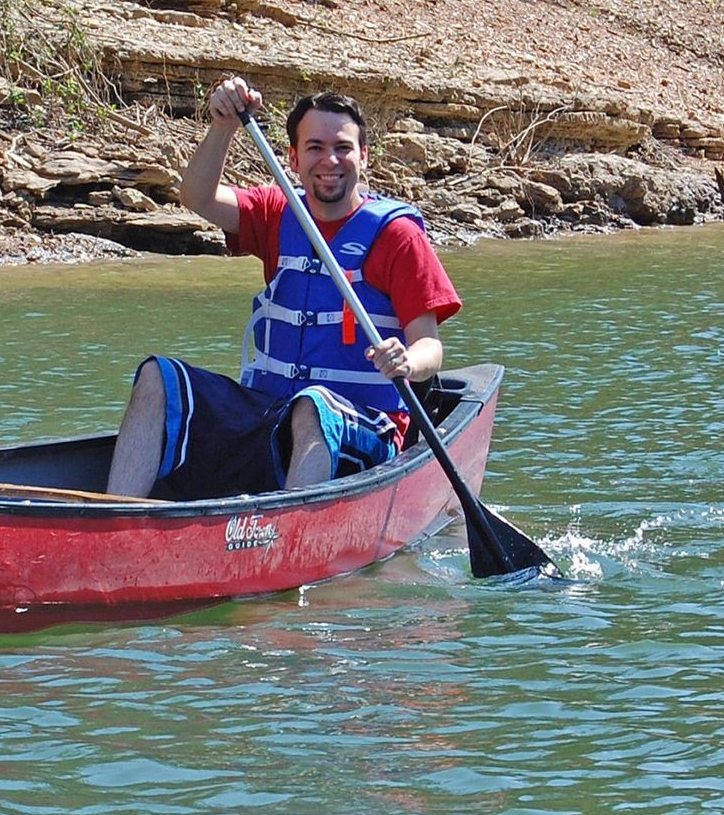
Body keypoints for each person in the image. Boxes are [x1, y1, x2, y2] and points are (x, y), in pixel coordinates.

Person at [105, 76, 460, 499]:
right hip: (271, 413)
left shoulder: (397, 235)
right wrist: (223, 126)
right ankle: (117, 516)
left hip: (366, 423)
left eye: (343, 147)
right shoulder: (278, 212)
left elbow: (431, 348)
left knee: (313, 405)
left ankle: (287, 537)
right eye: (315, 147)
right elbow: (197, 196)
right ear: (294, 158)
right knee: (158, 376)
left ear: (363, 156)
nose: (330, 159)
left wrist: (407, 362)